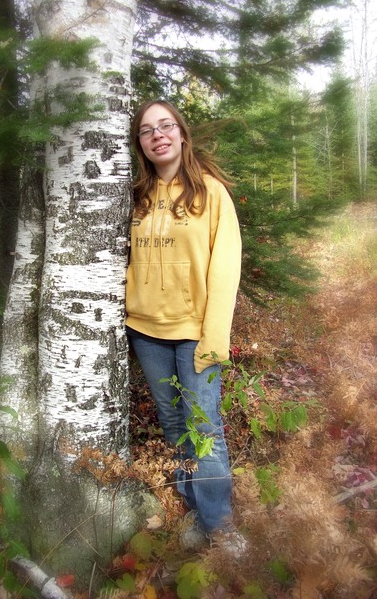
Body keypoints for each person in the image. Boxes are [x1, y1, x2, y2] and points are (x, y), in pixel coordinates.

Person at [125, 100, 244, 553]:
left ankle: (220, 526)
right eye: (147, 130)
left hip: (194, 332)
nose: (157, 135)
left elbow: (225, 269)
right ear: (140, 143)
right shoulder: (137, 196)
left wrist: (214, 336)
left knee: (203, 427)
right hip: (146, 332)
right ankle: (195, 508)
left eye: (166, 126)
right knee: (174, 425)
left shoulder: (211, 193)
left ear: (181, 133)